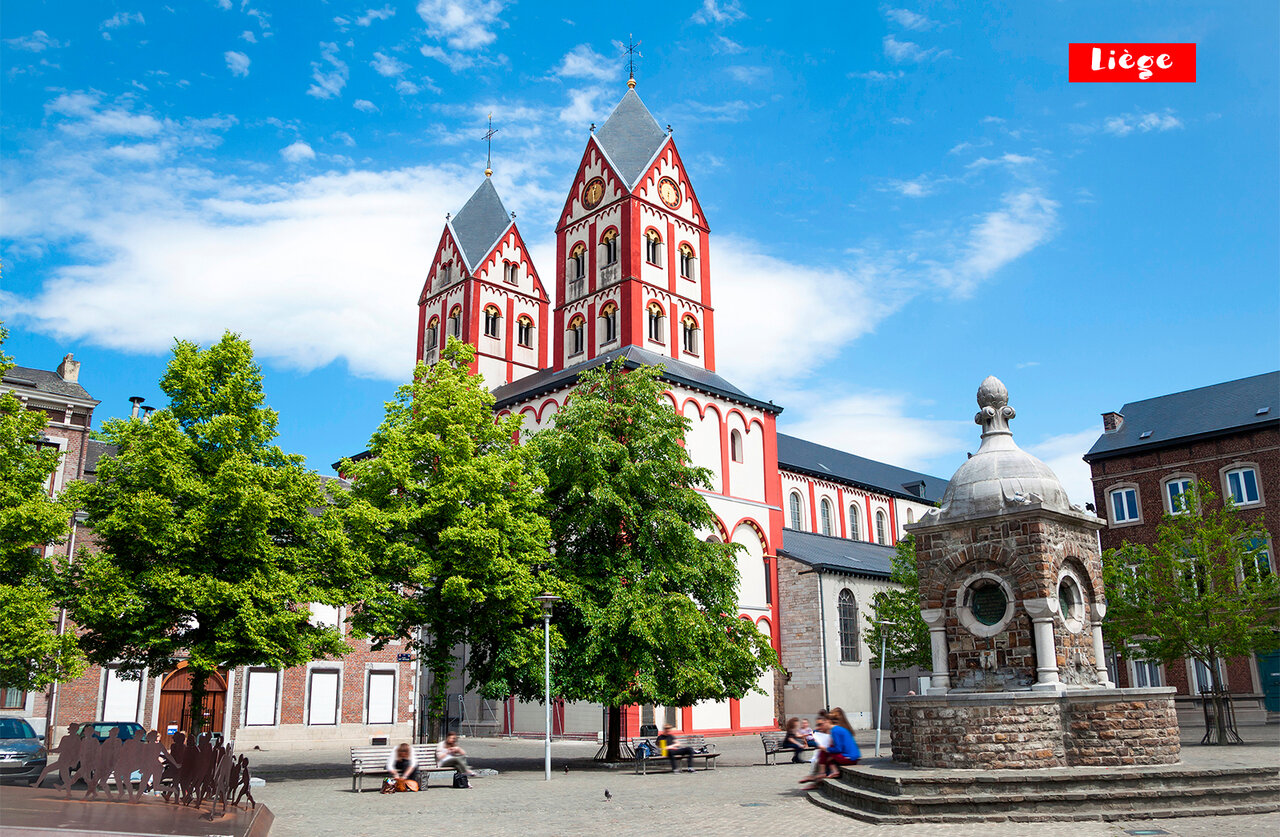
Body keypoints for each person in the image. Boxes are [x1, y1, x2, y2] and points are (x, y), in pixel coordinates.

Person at [799, 714, 860, 784]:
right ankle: (831, 771)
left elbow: (838, 749)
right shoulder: (836, 729)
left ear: (827, 721)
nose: (819, 727)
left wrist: (825, 748)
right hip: (851, 757)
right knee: (826, 752)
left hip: (850, 758)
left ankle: (822, 773)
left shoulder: (835, 731)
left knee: (824, 751)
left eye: (820, 724)